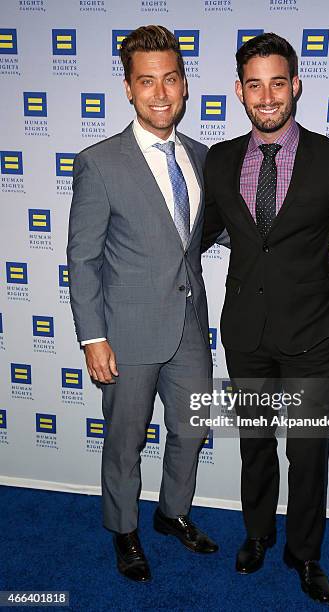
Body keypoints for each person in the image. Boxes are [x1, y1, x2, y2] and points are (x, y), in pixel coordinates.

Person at [202, 32, 329, 603]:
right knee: (255, 444)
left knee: (308, 452)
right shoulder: (222, 159)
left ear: (296, 85)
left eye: (278, 82)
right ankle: (257, 535)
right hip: (245, 336)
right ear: (239, 91)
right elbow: (198, 236)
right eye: (255, 84)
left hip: (312, 339)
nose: (267, 95)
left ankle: (304, 554)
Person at [67, 25, 218, 584]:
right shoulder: (100, 162)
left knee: (191, 429)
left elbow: (217, 232)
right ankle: (124, 529)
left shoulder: (204, 158)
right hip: (125, 332)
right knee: (125, 439)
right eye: (146, 81)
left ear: (184, 84)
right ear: (128, 88)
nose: (161, 93)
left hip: (189, 325)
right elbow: (82, 259)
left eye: (170, 79)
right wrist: (92, 337)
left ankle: (171, 513)